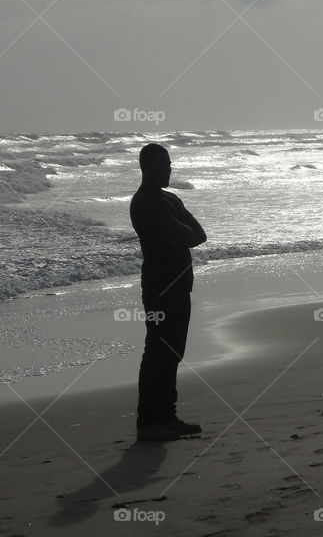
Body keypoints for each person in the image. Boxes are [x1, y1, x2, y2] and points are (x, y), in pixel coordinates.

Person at [130, 144, 207, 442]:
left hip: (180, 284)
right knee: (157, 351)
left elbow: (198, 235)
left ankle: (167, 416)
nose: (169, 169)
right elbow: (180, 233)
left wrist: (179, 235)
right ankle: (148, 422)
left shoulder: (171, 199)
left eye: (169, 164)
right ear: (148, 168)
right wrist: (180, 234)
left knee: (173, 352)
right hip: (159, 287)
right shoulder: (144, 202)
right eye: (163, 165)